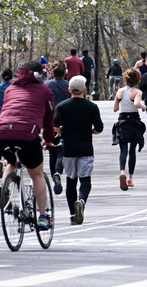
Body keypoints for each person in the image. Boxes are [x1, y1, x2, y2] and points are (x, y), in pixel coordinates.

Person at [0, 61, 55, 231]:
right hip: (27, 135)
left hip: (1, 134)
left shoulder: (10, 89)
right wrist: (49, 139)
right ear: (38, 75)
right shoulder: (44, 90)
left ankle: (3, 187)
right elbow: (49, 120)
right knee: (37, 175)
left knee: (12, 163)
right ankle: (43, 217)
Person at [54, 75, 104, 225]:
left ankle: (71, 214)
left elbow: (55, 124)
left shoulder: (62, 106)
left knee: (71, 181)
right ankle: (81, 201)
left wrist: (61, 130)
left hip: (68, 150)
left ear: (69, 90)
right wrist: (91, 131)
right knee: (85, 180)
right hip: (86, 149)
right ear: (85, 90)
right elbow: (99, 128)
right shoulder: (92, 107)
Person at [113, 69, 147, 190]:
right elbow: (137, 104)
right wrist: (143, 107)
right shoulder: (137, 92)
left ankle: (122, 171)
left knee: (123, 150)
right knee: (132, 151)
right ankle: (130, 179)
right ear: (137, 80)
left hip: (122, 121)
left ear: (126, 79)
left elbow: (115, 108)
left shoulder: (120, 91)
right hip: (133, 121)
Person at [45, 61, 71, 195]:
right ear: (65, 72)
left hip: (51, 122)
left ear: (52, 72)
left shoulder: (47, 85)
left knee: (52, 152)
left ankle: (55, 179)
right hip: (66, 122)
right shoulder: (69, 86)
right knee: (62, 151)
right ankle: (58, 171)